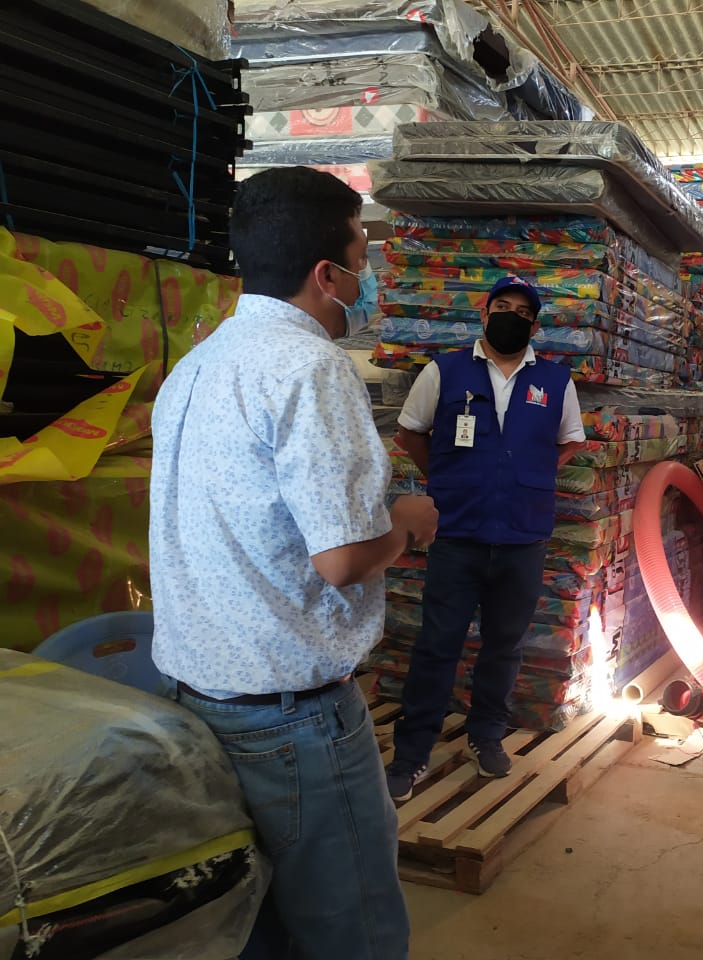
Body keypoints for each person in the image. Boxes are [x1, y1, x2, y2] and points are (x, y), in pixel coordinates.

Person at [150, 167, 438, 959]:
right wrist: (408, 527)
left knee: (261, 927)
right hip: (292, 718)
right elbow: (342, 559)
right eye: (363, 259)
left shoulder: (197, 366)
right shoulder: (310, 369)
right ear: (327, 276)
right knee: (355, 933)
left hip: (199, 695)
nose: (368, 280)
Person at [386, 275, 585, 799]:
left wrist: (527, 475)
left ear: (534, 326)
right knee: (437, 645)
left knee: (504, 645)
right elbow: (409, 433)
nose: (511, 316)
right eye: (502, 306)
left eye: (522, 312)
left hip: (523, 538)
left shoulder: (555, 381)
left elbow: (569, 441)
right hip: (458, 533)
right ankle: (412, 753)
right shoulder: (445, 371)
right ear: (484, 312)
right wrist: (448, 480)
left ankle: (487, 734)